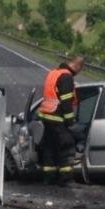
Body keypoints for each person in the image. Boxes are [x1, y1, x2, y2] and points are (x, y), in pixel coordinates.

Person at [38, 55, 84, 186]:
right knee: (67, 146)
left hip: (47, 117)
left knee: (49, 148)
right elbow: (66, 103)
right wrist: (71, 124)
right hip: (58, 118)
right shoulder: (66, 77)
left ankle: (49, 178)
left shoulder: (53, 73)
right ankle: (66, 179)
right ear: (78, 66)